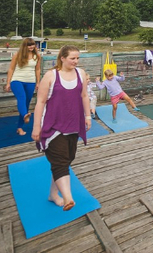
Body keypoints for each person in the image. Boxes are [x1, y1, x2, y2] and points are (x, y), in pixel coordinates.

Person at [31, 45, 91, 211]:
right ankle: (68, 197)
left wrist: (87, 116)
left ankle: (53, 194)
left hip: (73, 124)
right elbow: (40, 102)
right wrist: (36, 126)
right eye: (72, 58)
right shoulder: (51, 76)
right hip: (53, 126)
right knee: (60, 161)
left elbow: (84, 96)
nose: (76, 61)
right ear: (62, 58)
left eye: (77, 58)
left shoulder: (80, 73)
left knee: (66, 159)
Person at [3, 38, 42, 136]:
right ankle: (25, 115)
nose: (31, 47)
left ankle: (20, 127)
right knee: (22, 98)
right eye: (29, 45)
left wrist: (38, 82)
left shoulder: (37, 56)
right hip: (17, 80)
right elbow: (11, 69)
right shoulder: (17, 55)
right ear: (25, 46)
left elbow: (37, 70)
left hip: (31, 81)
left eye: (33, 44)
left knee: (26, 103)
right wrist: (8, 83)